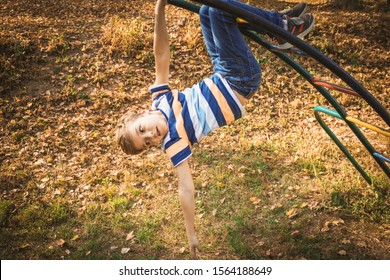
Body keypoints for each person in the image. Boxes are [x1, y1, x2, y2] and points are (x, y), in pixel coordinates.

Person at [116, 0, 314, 258]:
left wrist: (159, 10)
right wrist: (191, 233)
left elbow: (161, 54)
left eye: (142, 130)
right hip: (239, 81)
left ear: (144, 113)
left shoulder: (160, 99)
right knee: (220, 11)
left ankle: (279, 22)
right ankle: (283, 26)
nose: (151, 136)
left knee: (207, 10)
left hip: (222, 72)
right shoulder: (174, 142)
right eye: (148, 144)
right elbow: (185, 188)